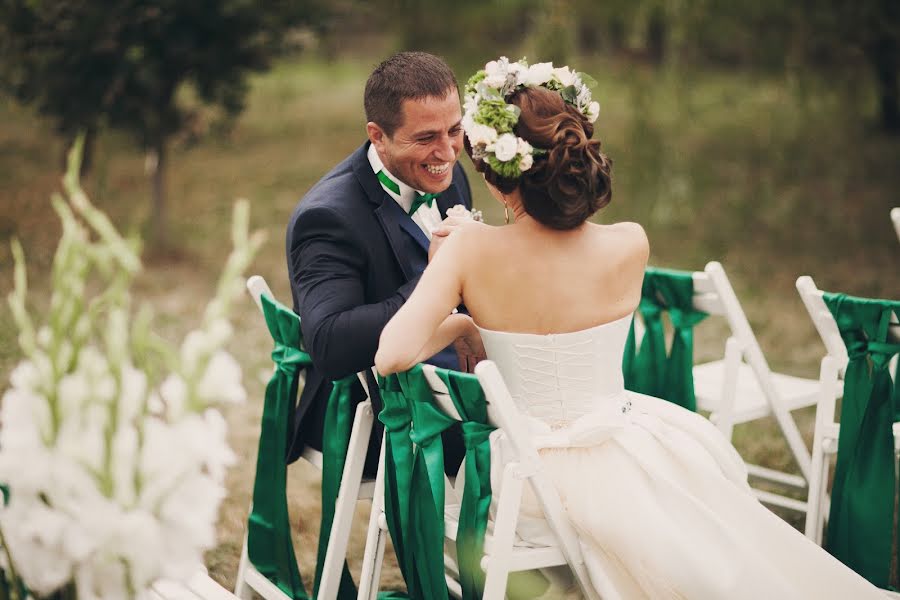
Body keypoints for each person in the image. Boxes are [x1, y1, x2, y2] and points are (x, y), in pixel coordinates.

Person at [374, 57, 884, 599]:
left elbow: (390, 355)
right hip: (630, 439)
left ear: (497, 177)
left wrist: (457, 317)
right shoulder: (631, 242)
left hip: (530, 476)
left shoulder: (469, 250)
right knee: (715, 536)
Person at [286, 51, 473, 472]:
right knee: (526, 433)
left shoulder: (446, 175)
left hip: (446, 373)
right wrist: (437, 277)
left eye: (455, 130)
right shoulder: (328, 218)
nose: (447, 152)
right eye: (425, 138)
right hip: (374, 413)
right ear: (378, 135)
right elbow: (331, 346)